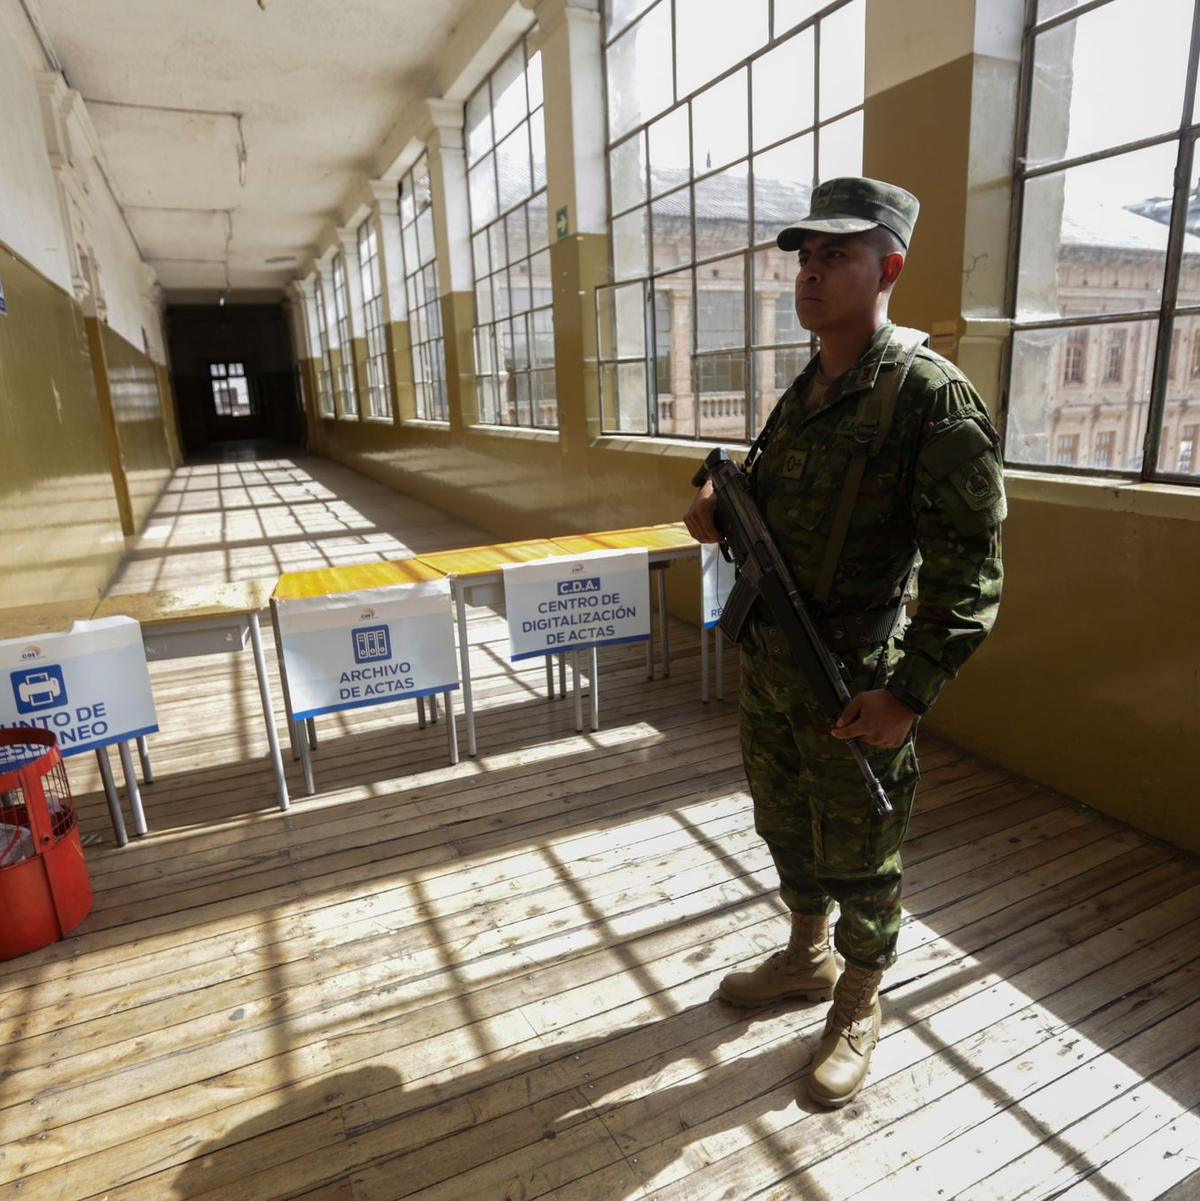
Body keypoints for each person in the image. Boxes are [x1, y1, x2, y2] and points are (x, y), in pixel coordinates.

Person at [684, 177, 1005, 1108]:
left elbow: (969, 573)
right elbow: (775, 507)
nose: (812, 273)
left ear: (889, 267)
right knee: (784, 821)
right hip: (773, 668)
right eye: (805, 257)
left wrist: (909, 696)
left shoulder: (929, 398)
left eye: (838, 256)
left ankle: (860, 996)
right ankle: (805, 955)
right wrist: (717, 513)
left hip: (854, 681)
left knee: (864, 848)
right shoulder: (811, 386)